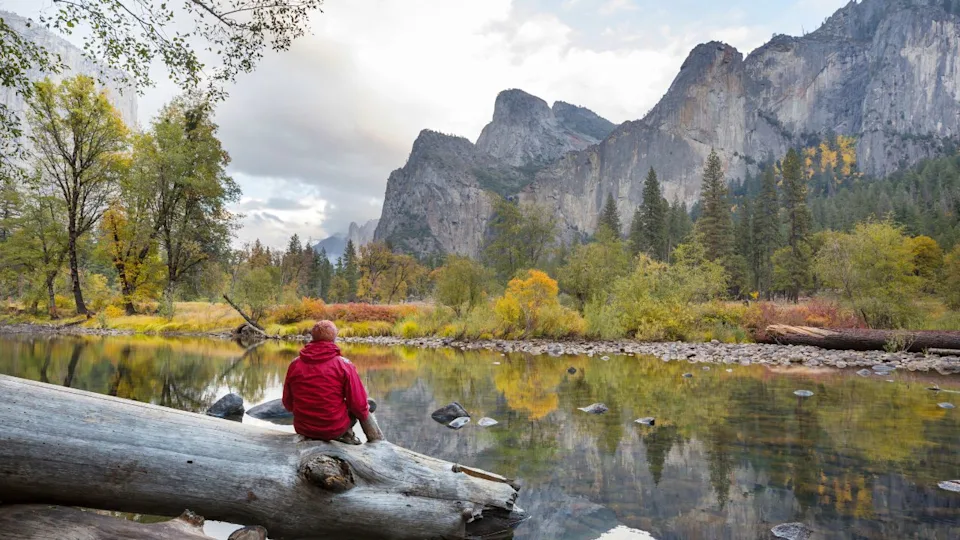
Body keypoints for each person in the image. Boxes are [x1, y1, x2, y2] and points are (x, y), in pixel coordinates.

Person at [282, 320, 371, 444]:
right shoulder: (344, 365)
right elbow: (359, 406)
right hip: (334, 429)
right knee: (358, 406)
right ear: (334, 338)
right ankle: (347, 436)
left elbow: (287, 403)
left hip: (303, 429)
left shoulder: (295, 364)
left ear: (312, 337)